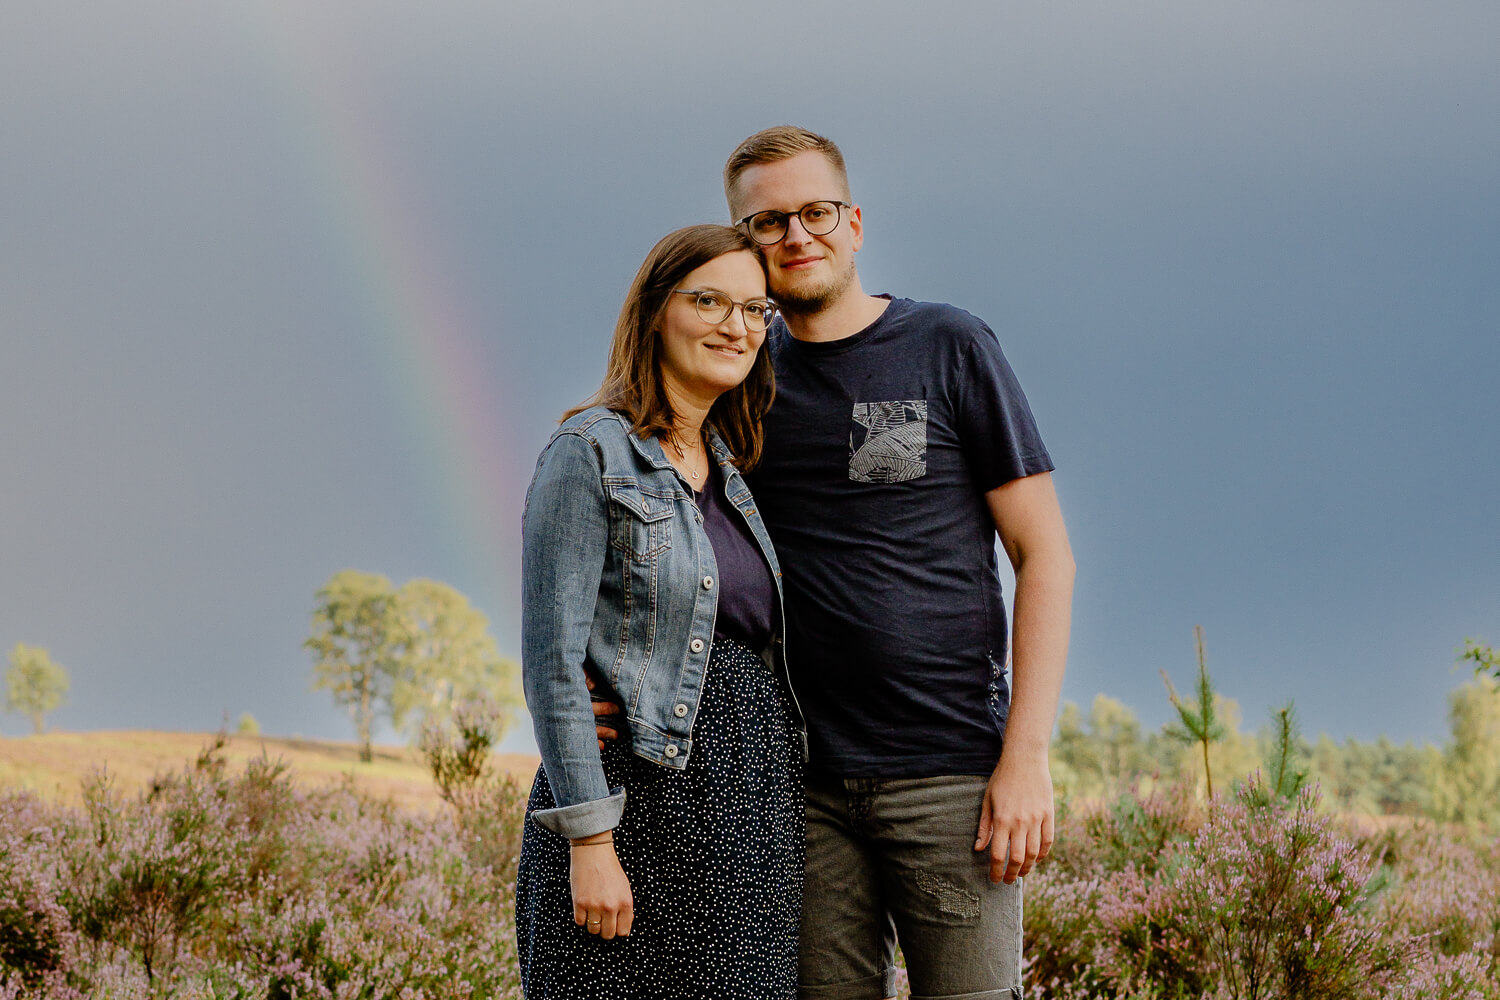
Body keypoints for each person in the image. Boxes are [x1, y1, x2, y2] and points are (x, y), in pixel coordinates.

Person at [723, 126, 1076, 1000]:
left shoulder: (949, 345)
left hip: (951, 777)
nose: (796, 236)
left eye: (816, 212)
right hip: (797, 786)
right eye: (768, 223)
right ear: (744, 244)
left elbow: (1045, 556)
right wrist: (593, 685)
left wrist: (1025, 757)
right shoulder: (738, 380)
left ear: (855, 223)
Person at [514, 223, 806, 1000]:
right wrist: (589, 838)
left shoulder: (734, 470)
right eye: (709, 300)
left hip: (748, 810)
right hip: (636, 807)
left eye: (755, 309)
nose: (736, 326)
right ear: (653, 312)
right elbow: (552, 662)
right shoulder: (590, 452)